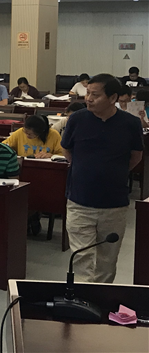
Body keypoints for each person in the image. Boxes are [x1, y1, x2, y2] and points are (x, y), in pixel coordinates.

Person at [61, 74, 144, 283]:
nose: (88, 98)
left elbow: (136, 156)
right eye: (87, 93)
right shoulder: (77, 119)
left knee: (107, 260)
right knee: (81, 258)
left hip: (114, 204)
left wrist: (113, 172)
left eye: (95, 95)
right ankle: (83, 298)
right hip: (79, 201)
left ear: (113, 97)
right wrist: (84, 169)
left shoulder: (130, 123)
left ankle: (101, 298)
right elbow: (67, 150)